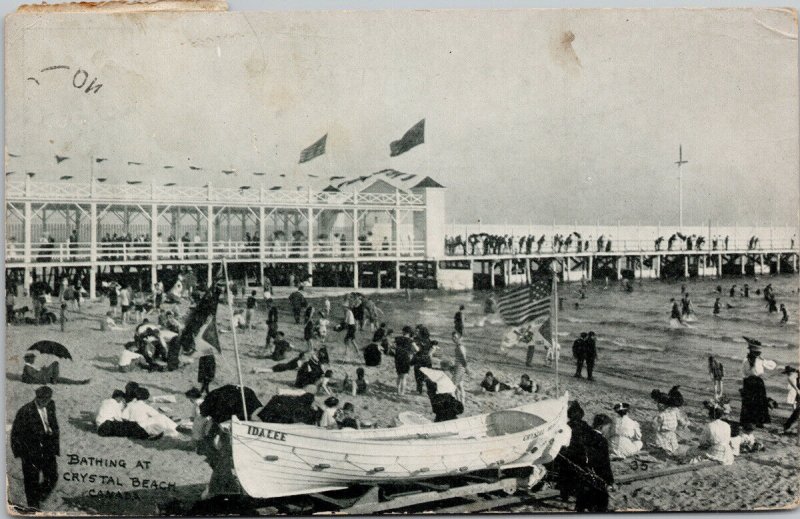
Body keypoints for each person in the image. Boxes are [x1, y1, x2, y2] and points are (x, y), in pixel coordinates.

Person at [557, 402, 614, 513]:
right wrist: (610, 481)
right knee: (600, 503)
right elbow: (604, 463)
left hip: (580, 474)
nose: (608, 431)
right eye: (608, 428)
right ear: (602, 427)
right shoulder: (601, 440)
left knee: (581, 503)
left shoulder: (585, 434)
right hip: (594, 478)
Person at [11, 386, 60, 509]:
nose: (46, 402)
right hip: (31, 452)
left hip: (48, 448)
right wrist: (22, 455)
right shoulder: (25, 411)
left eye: (48, 399)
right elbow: (15, 434)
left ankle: (38, 496)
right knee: (31, 481)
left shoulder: (50, 405)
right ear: (37, 398)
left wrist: (52, 435)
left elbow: (53, 422)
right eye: (43, 400)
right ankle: (33, 508)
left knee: (52, 477)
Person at [740, 341, 775, 427]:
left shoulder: (745, 360)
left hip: (748, 382)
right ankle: (759, 422)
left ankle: (748, 421)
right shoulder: (760, 360)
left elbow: (743, 373)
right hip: (757, 382)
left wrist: (745, 381)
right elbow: (773, 366)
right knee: (760, 402)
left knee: (749, 402)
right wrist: (763, 359)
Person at [650, 386, 690, 453]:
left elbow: (655, 427)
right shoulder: (673, 411)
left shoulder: (661, 415)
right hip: (672, 434)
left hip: (663, 435)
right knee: (673, 446)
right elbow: (681, 421)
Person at [394, 326, 418, 396]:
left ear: (403, 331)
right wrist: (411, 351)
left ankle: (398, 390)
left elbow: (392, 345)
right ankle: (402, 392)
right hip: (405, 358)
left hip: (397, 357)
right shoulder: (411, 341)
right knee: (404, 377)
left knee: (399, 375)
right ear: (410, 332)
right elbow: (417, 349)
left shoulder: (397, 338)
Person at [451, 332, 469, 404]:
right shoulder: (459, 346)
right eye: (452, 337)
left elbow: (463, 359)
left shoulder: (460, 347)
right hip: (459, 368)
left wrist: (467, 369)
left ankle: (458, 402)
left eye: (455, 337)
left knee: (453, 386)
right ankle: (461, 403)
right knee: (460, 386)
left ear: (459, 338)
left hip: (460, 368)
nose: (453, 338)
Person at [783, 366, 800, 434]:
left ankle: (787, 426)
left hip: (798, 394)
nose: (788, 374)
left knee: (797, 412)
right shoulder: (790, 378)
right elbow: (797, 390)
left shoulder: (796, 375)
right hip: (798, 394)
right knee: (797, 412)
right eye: (787, 373)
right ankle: (787, 426)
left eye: (789, 373)